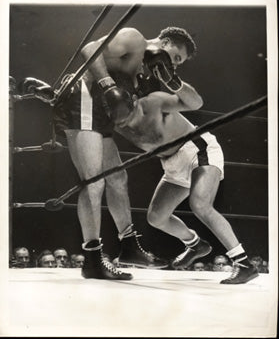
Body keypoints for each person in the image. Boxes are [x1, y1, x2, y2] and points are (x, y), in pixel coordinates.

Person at [20, 26, 197, 280]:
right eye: (176, 57)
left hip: (98, 111)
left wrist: (173, 80)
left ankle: (129, 247)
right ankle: (92, 259)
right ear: (165, 42)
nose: (175, 65)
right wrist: (107, 85)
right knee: (93, 183)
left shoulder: (148, 70)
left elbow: (195, 104)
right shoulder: (134, 39)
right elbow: (90, 49)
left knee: (117, 178)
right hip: (85, 100)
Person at [113, 47, 259, 284]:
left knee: (201, 204)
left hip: (197, 149)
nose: (126, 121)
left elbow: (196, 102)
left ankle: (243, 263)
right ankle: (195, 244)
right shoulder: (117, 123)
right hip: (170, 163)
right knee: (157, 217)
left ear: (132, 100)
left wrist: (174, 81)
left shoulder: (154, 102)